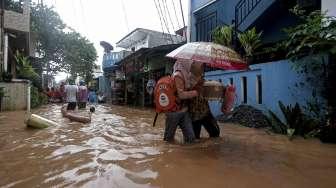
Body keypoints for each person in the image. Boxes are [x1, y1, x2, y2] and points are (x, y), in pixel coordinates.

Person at [163, 60, 200, 143]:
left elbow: (187, 87)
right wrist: (196, 93)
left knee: (190, 138)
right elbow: (181, 95)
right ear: (186, 63)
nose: (193, 65)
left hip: (184, 110)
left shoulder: (186, 74)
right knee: (168, 139)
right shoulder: (178, 75)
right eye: (192, 63)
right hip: (173, 112)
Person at [188, 63, 220, 139]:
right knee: (195, 139)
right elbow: (186, 92)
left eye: (202, 66)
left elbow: (208, 94)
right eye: (201, 66)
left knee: (215, 133)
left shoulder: (203, 79)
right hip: (194, 113)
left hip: (205, 111)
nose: (202, 67)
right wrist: (197, 85)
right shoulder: (188, 79)